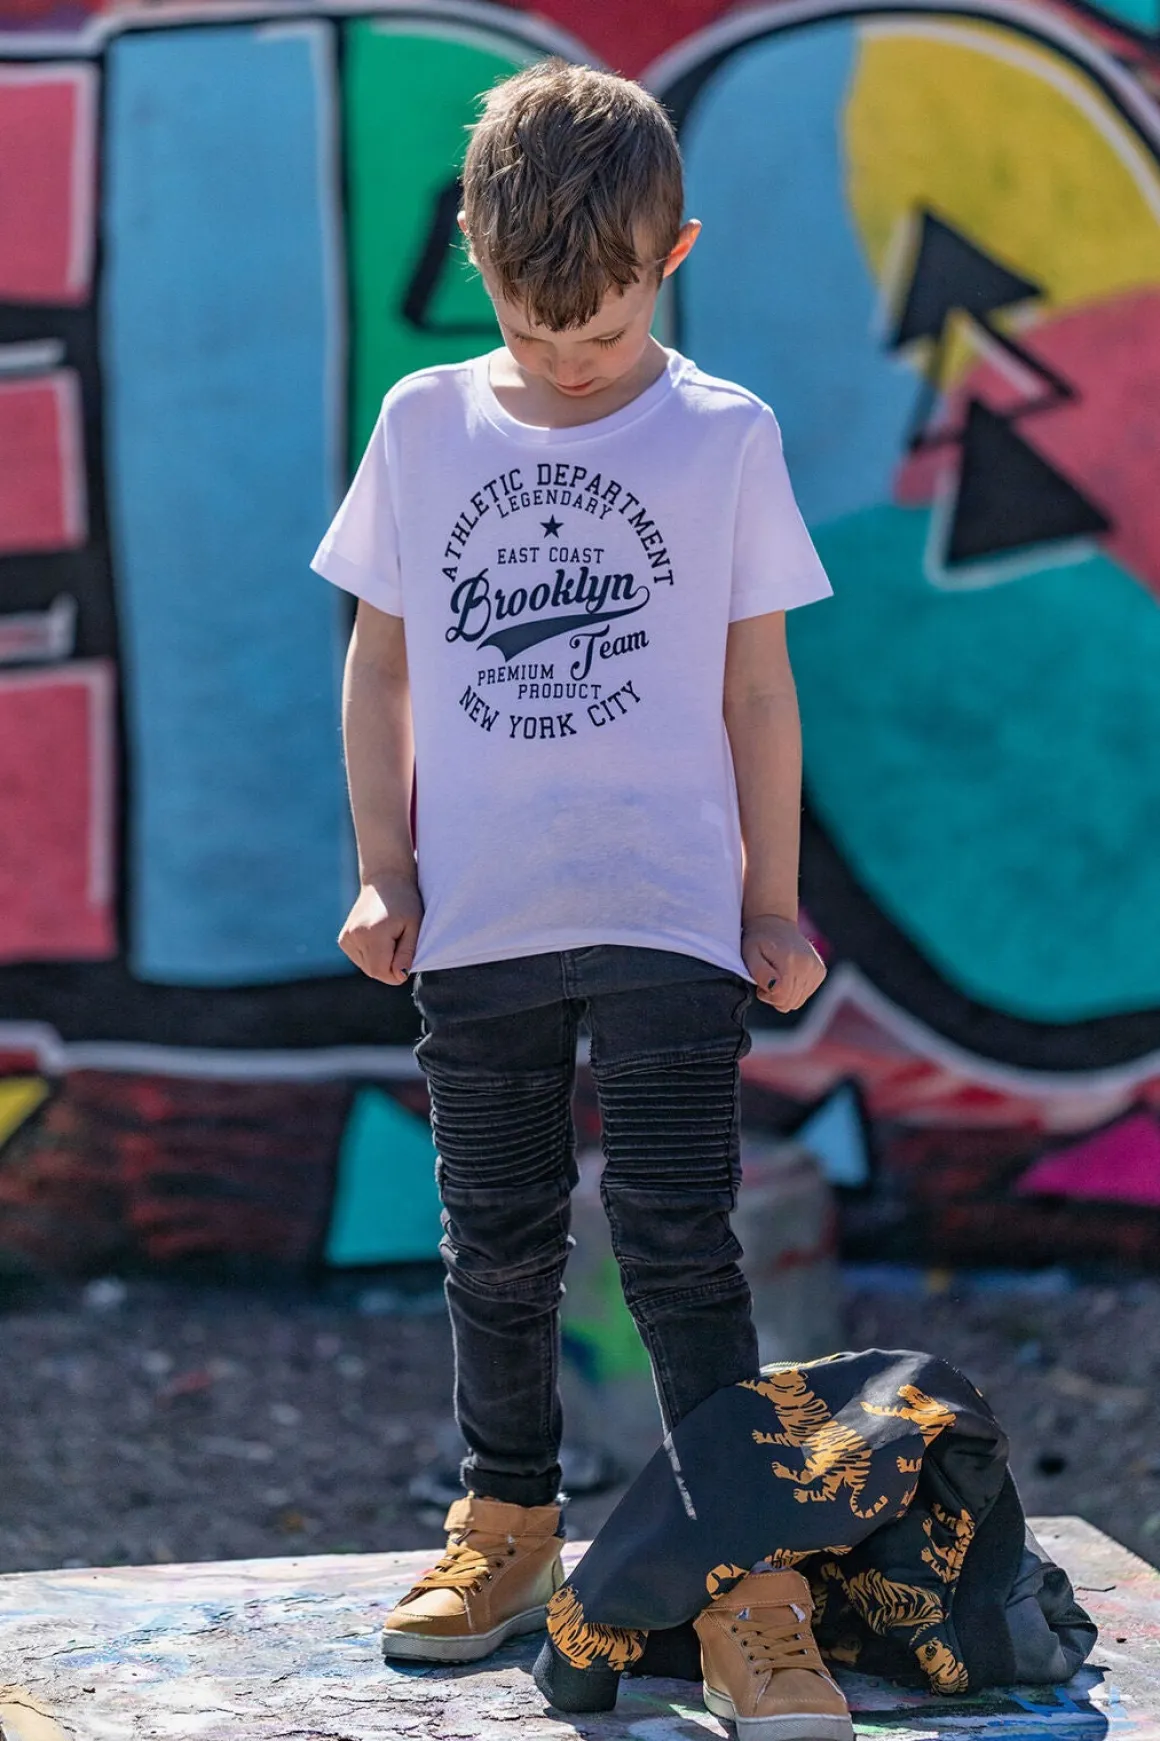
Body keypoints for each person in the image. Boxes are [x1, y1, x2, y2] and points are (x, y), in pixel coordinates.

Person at [311, 58, 834, 1718]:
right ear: (475, 252)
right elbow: (380, 666)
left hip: (673, 919)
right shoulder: (423, 424)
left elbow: (759, 687)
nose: (568, 360)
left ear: (673, 256)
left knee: (680, 1245)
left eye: (600, 330)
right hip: (481, 923)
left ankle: (743, 1576)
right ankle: (508, 1525)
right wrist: (383, 871)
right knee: (496, 1246)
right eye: (536, 332)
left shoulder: (725, 435)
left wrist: (770, 903)